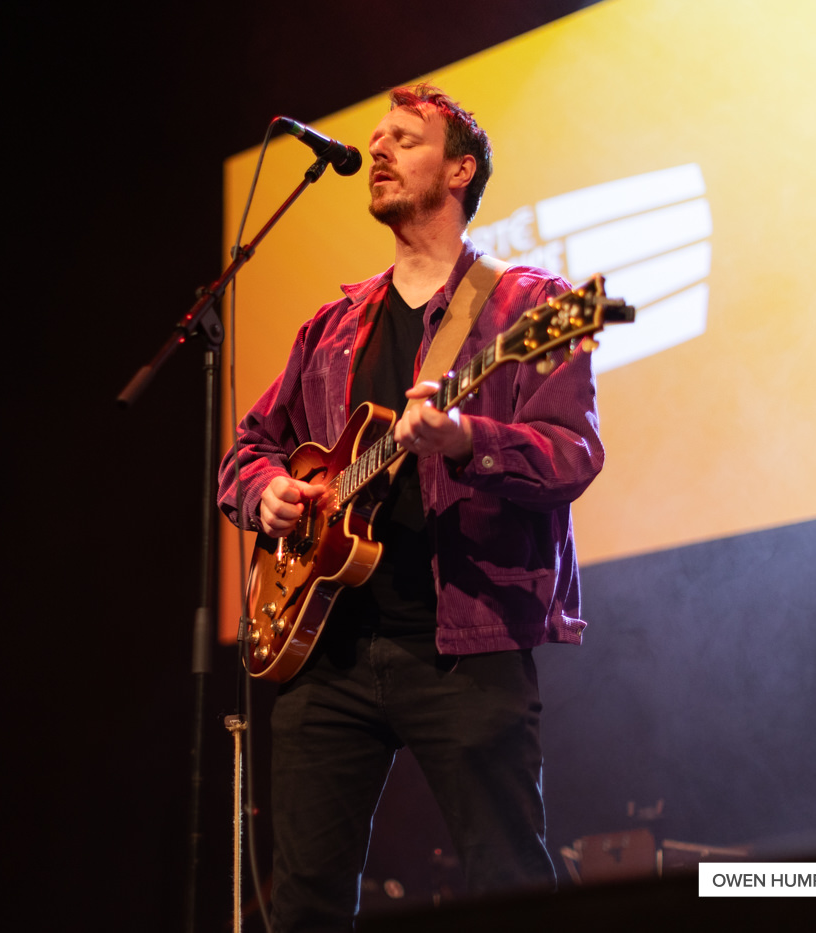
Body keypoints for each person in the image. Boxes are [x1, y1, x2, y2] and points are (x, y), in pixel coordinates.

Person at [218, 84, 604, 932]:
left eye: (405, 138)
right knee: (304, 902)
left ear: (461, 170)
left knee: (507, 876)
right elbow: (247, 450)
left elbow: (575, 454)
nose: (380, 150)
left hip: (464, 644)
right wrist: (269, 493)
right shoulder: (333, 321)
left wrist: (466, 438)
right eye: (377, 137)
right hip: (328, 651)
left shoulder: (527, 304)